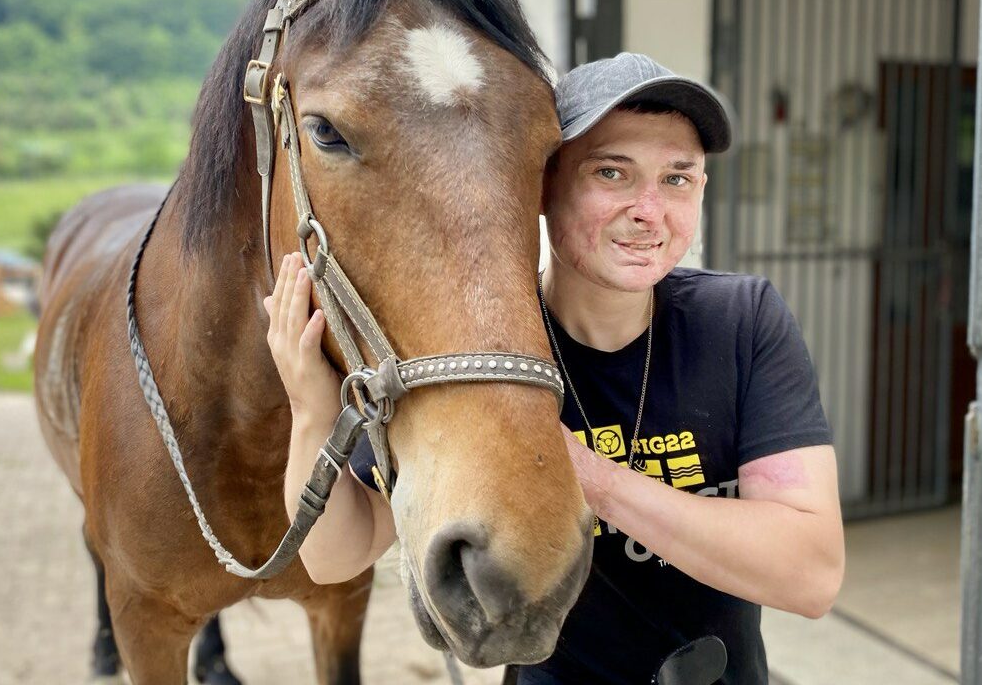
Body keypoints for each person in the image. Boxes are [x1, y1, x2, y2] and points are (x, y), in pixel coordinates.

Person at [265, 52, 844, 684]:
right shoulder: (478, 349)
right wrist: (311, 409)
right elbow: (337, 555)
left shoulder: (741, 323)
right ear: (541, 185)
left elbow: (810, 574)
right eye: (612, 172)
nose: (650, 210)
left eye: (677, 179)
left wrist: (592, 480)